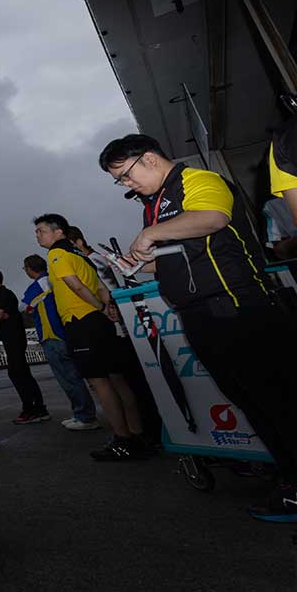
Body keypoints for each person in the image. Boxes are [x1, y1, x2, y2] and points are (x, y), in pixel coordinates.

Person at [102, 133, 297, 521]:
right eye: (119, 180)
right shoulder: (154, 205)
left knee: (278, 402)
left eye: (124, 175)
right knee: (252, 401)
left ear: (149, 159)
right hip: (201, 317)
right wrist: (138, 264)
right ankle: (290, 481)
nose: (126, 185)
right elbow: (179, 254)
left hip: (240, 309)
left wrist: (149, 234)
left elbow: (212, 219)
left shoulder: (198, 180)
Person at [34, 214, 150, 461]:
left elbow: (74, 285)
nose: (38, 235)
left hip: (81, 322)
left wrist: (98, 306)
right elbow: (101, 286)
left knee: (100, 382)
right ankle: (138, 435)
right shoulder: (80, 256)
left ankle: (122, 439)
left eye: (42, 230)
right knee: (118, 379)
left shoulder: (56, 254)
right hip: (101, 323)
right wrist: (107, 307)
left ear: (58, 232)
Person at [21, 254, 98, 430]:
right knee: (75, 376)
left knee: (69, 378)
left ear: (29, 268)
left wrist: (32, 308)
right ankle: (82, 413)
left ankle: (85, 416)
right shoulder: (52, 281)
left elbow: (26, 305)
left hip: (53, 336)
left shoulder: (41, 283)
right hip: (64, 332)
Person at [0, 267, 47, 424]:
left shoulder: (4, 294)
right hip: (14, 338)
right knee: (23, 373)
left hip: (14, 338)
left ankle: (30, 409)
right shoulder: (3, 295)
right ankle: (39, 408)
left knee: (17, 373)